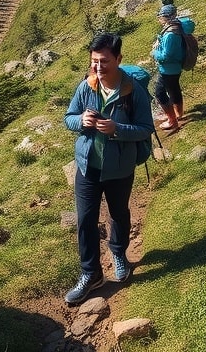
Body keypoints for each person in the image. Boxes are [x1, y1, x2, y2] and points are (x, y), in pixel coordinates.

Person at [64, 32, 155, 305]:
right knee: (85, 220)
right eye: (94, 62)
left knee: (118, 213)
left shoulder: (133, 92)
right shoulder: (86, 87)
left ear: (118, 59)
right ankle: (91, 274)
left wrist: (117, 129)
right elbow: (67, 118)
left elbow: (145, 129)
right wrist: (81, 120)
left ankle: (118, 252)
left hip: (119, 168)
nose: (98, 68)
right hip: (87, 167)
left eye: (104, 61)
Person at [151, 0, 185, 131]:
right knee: (173, 89)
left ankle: (172, 120)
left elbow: (166, 55)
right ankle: (178, 114)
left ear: (167, 17)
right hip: (173, 67)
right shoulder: (174, 28)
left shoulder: (171, 34)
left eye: (161, 17)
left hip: (169, 69)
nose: (159, 19)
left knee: (159, 92)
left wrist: (154, 53)